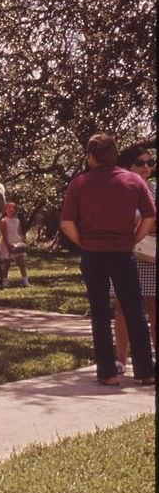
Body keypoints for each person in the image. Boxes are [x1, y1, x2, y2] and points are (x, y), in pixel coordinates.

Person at [59, 133, 155, 387]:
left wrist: (83, 242)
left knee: (101, 312)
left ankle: (107, 371)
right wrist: (133, 239)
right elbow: (149, 216)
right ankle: (145, 371)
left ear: (91, 157)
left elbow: (66, 222)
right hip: (123, 252)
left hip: (93, 253)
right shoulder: (134, 181)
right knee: (135, 311)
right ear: (114, 155)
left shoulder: (80, 183)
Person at [112, 140, 156, 373]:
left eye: (150, 163)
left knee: (154, 306)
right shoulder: (120, 189)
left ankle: (154, 357)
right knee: (122, 307)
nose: (146, 167)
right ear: (128, 166)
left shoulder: (155, 190)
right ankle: (120, 359)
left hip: (151, 257)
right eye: (140, 163)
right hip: (124, 254)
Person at [0, 202, 30, 288]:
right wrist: (8, 246)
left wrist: (25, 242)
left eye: (13, 208)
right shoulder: (4, 221)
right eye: (9, 208)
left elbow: (19, 233)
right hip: (7, 243)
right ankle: (4, 282)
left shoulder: (17, 220)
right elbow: (4, 235)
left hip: (17, 242)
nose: (12, 210)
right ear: (6, 209)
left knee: (22, 263)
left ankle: (25, 281)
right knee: (6, 265)